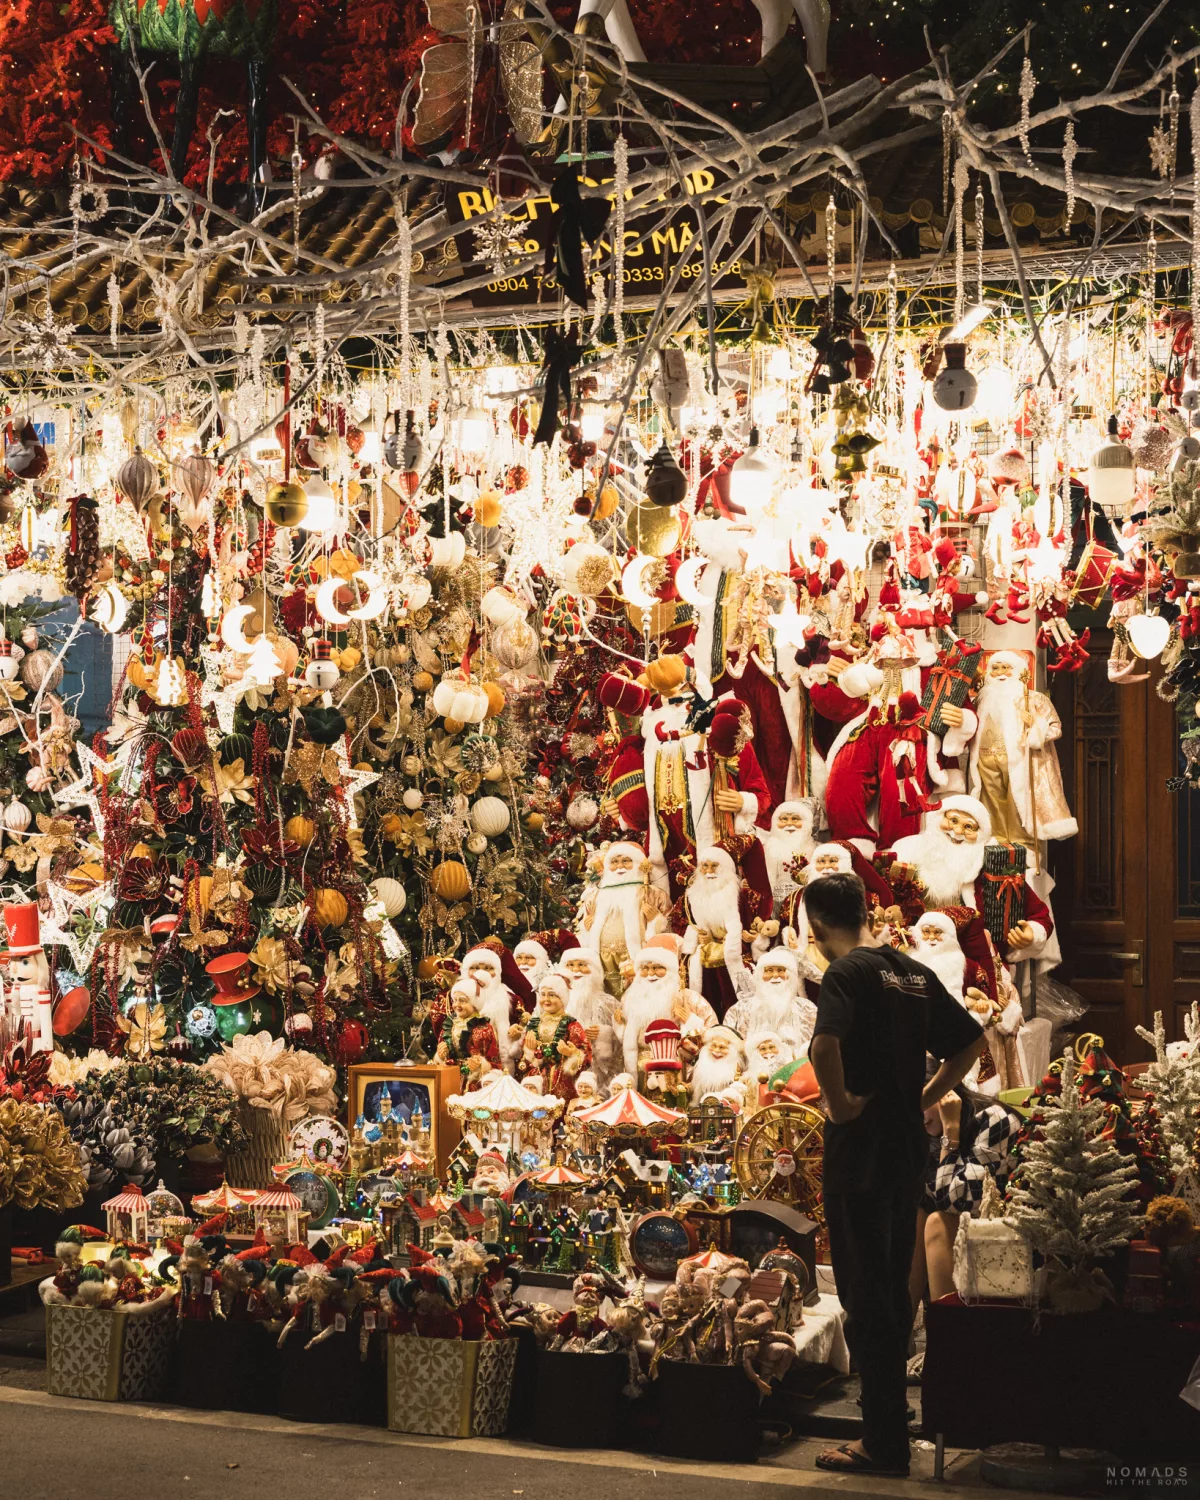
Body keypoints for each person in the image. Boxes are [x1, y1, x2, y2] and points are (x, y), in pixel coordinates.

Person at [806, 871, 984, 1478]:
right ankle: (889, 1432)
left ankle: (881, 1443)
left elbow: (823, 1047)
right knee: (891, 1284)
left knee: (864, 1294)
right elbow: (971, 1043)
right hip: (906, 1150)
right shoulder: (911, 972)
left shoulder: (845, 973)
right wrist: (923, 1096)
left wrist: (838, 1104)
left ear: (816, 925)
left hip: (859, 1152)